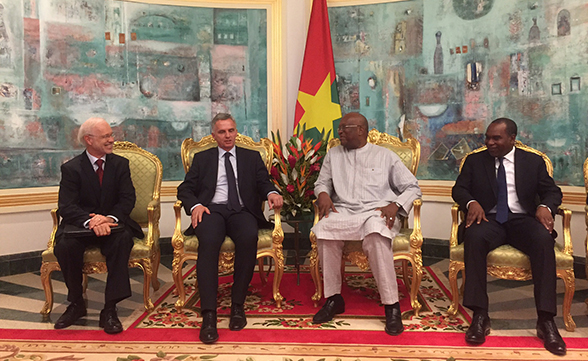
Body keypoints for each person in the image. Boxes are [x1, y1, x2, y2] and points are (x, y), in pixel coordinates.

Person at [452, 118, 566, 356]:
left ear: (512, 138)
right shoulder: (475, 161)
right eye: (487, 137)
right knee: (474, 236)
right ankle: (480, 316)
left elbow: (552, 191)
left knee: (543, 240)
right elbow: (459, 189)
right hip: (489, 219)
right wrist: (472, 202)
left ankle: (545, 321)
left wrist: (545, 206)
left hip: (522, 220)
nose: (489, 142)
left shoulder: (532, 161)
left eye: (496, 138)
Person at [310, 112, 421, 336]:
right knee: (325, 229)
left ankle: (391, 306)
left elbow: (412, 187)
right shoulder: (334, 154)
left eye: (344, 128)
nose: (339, 132)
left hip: (376, 211)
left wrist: (396, 205)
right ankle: (334, 298)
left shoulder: (385, 156)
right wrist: (322, 193)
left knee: (376, 233)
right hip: (345, 210)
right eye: (339, 128)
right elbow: (322, 182)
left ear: (361, 130)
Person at [177, 113, 283, 344]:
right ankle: (209, 315)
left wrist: (272, 192)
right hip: (211, 210)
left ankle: (237, 306)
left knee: (248, 237)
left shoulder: (251, 157)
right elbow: (185, 189)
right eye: (222, 132)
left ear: (236, 132)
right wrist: (195, 205)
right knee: (210, 241)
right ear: (214, 135)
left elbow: (263, 181)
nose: (228, 136)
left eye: (231, 131)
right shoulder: (202, 158)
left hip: (242, 210)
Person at [53, 117, 143, 334]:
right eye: (106, 137)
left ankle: (110, 308)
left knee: (122, 241)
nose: (112, 140)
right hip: (81, 226)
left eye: (111, 135)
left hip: (113, 225)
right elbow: (66, 206)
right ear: (89, 140)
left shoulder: (120, 164)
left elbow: (127, 199)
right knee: (65, 245)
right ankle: (76, 303)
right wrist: (91, 220)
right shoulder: (72, 168)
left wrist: (108, 219)